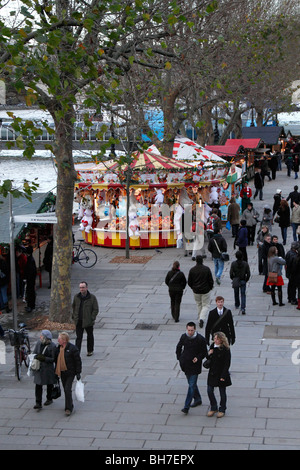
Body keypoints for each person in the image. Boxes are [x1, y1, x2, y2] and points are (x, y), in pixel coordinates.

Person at [176, 321, 207, 414]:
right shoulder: (183, 337)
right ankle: (197, 398)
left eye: (192, 330)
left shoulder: (200, 339)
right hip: (186, 364)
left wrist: (198, 358)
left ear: (195, 329)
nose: (190, 332)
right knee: (191, 384)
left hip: (195, 366)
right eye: (188, 330)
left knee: (191, 385)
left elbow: (204, 351)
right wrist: (180, 358)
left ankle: (186, 406)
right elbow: (178, 347)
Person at [55, 331, 82, 416]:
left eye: (59, 338)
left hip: (70, 372)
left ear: (64, 340)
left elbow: (78, 361)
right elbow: (55, 359)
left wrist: (78, 373)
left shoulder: (73, 348)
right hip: (62, 372)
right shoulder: (58, 348)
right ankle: (70, 404)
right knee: (66, 389)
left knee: (67, 389)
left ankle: (68, 408)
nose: (58, 340)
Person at [206, 331, 231, 418]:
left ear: (221, 340)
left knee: (222, 392)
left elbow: (227, 363)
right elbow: (208, 357)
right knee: (209, 390)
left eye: (217, 339)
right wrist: (209, 354)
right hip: (213, 372)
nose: (215, 340)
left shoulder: (226, 349)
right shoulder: (213, 346)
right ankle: (213, 407)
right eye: (214, 338)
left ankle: (222, 409)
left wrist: (223, 376)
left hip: (221, 373)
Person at [72, 281, 99, 356]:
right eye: (80, 287)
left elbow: (95, 309)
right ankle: (77, 352)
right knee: (78, 337)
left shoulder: (92, 297)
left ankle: (90, 350)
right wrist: (74, 317)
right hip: (79, 320)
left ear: (86, 288)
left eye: (83, 287)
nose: (81, 289)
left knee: (90, 336)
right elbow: (73, 306)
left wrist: (92, 318)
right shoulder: (76, 297)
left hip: (88, 321)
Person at [32, 330, 56, 410]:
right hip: (39, 368)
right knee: (38, 385)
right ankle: (38, 402)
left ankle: (49, 398)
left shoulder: (52, 346)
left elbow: (53, 359)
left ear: (46, 338)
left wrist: (44, 358)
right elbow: (34, 352)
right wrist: (35, 357)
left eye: (42, 336)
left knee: (49, 384)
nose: (40, 337)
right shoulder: (39, 343)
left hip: (48, 369)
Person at [188, 255, 214, 328]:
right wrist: (210, 287)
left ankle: (200, 319)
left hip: (196, 290)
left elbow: (190, 281)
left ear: (196, 261)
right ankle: (202, 318)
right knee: (206, 305)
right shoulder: (206, 269)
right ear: (202, 260)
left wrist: (193, 287)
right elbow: (210, 280)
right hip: (205, 290)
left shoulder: (192, 270)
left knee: (198, 304)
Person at [230, 251, 251, 315]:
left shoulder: (233, 264)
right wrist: (246, 280)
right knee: (243, 294)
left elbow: (231, 273)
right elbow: (248, 274)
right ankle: (243, 307)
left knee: (236, 293)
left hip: (236, 279)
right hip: (243, 280)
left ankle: (237, 304)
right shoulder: (245, 264)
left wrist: (233, 278)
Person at [24, 246, 37, 313]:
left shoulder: (30, 260)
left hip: (30, 280)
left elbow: (30, 271)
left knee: (30, 292)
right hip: (31, 279)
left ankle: (30, 306)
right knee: (31, 292)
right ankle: (31, 305)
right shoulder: (31, 259)